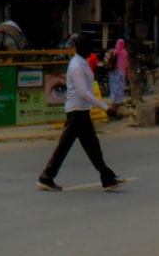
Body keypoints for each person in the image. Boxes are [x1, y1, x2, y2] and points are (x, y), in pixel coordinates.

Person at [37, 34, 126, 192]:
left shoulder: (83, 62)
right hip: (76, 111)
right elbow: (84, 92)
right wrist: (105, 108)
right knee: (69, 146)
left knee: (91, 145)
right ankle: (47, 176)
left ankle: (107, 177)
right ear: (82, 48)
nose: (92, 51)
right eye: (89, 47)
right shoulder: (76, 66)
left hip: (82, 111)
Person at [107, 38, 129, 105]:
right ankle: (119, 100)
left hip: (114, 71)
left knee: (114, 85)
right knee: (121, 86)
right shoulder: (125, 53)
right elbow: (126, 64)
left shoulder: (114, 52)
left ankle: (113, 99)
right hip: (122, 71)